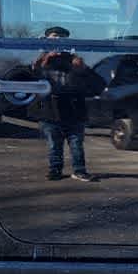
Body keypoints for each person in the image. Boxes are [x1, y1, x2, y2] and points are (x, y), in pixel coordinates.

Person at [34, 26, 103, 182]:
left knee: (76, 143)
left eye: (62, 40)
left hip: (74, 110)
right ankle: (55, 170)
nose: (58, 45)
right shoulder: (41, 60)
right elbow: (30, 78)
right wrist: (43, 60)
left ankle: (79, 170)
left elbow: (96, 84)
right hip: (50, 111)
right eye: (54, 39)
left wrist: (83, 69)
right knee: (54, 144)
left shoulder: (75, 60)